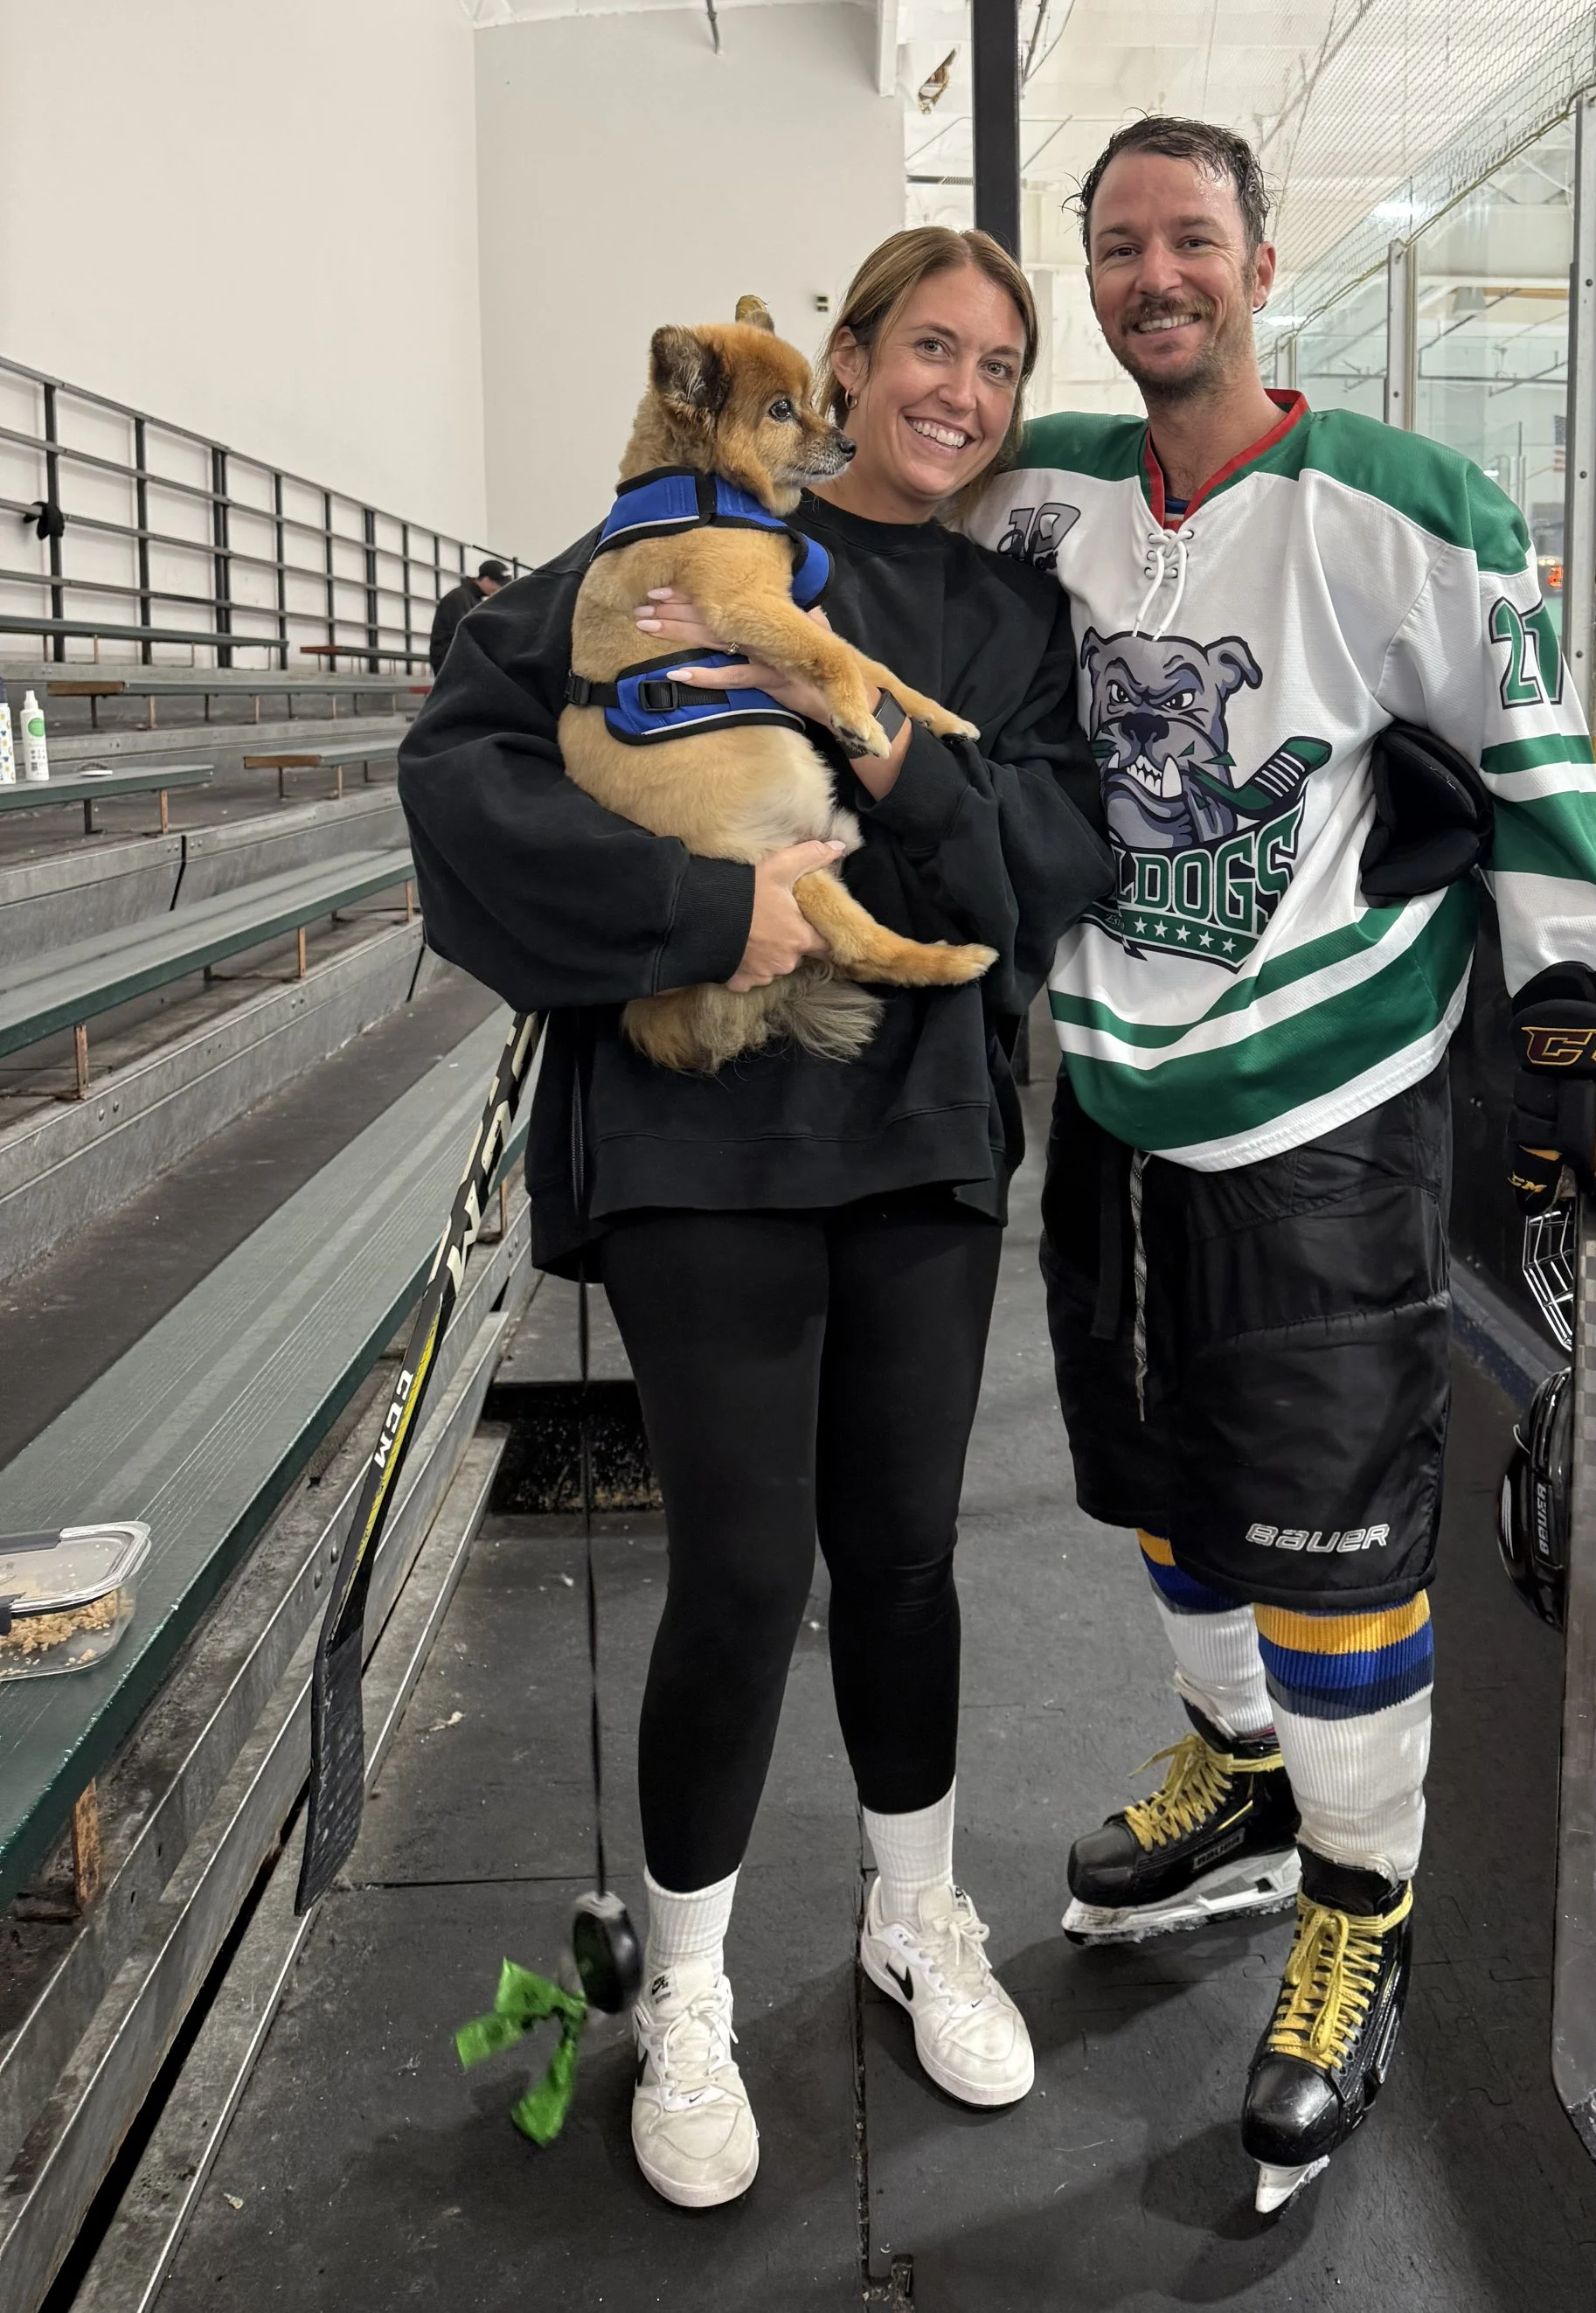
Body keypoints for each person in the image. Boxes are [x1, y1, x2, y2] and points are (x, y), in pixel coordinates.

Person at [961, 118, 1596, 2209]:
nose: (1153, 274)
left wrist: (1594, 1034)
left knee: (1333, 1539)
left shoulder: (1407, 508)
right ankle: (1245, 1773)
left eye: (1191, 238)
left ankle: (1358, 1909)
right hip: (1109, 1097)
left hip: (1322, 1121)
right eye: (1118, 246)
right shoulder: (1052, 496)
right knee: (1161, 1485)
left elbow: (1541, 775)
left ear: (1262, 261)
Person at [398, 231, 1111, 2212]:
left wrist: (884, 741)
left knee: (899, 1557)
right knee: (739, 1567)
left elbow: (1046, 864)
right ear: (847, 364)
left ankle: (917, 1912)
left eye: (995, 359)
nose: (954, 390)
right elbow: (457, 790)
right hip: (704, 1139)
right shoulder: (637, 564)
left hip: (924, 1136)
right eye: (921, 350)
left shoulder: (1000, 623)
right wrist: (715, 916)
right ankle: (688, 1993)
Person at [427, 556, 510, 672]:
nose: (500, 590)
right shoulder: (459, 598)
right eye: (499, 585)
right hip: (452, 665)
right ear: (486, 580)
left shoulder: (472, 599)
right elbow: (464, 635)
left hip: (460, 662)